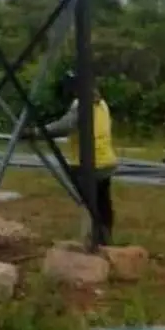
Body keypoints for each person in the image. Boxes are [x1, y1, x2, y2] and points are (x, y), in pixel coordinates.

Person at [42, 69, 117, 246]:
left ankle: (91, 241)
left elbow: (64, 127)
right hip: (105, 160)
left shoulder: (83, 105)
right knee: (103, 203)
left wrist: (38, 131)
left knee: (89, 205)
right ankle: (105, 239)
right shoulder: (101, 103)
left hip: (89, 163)